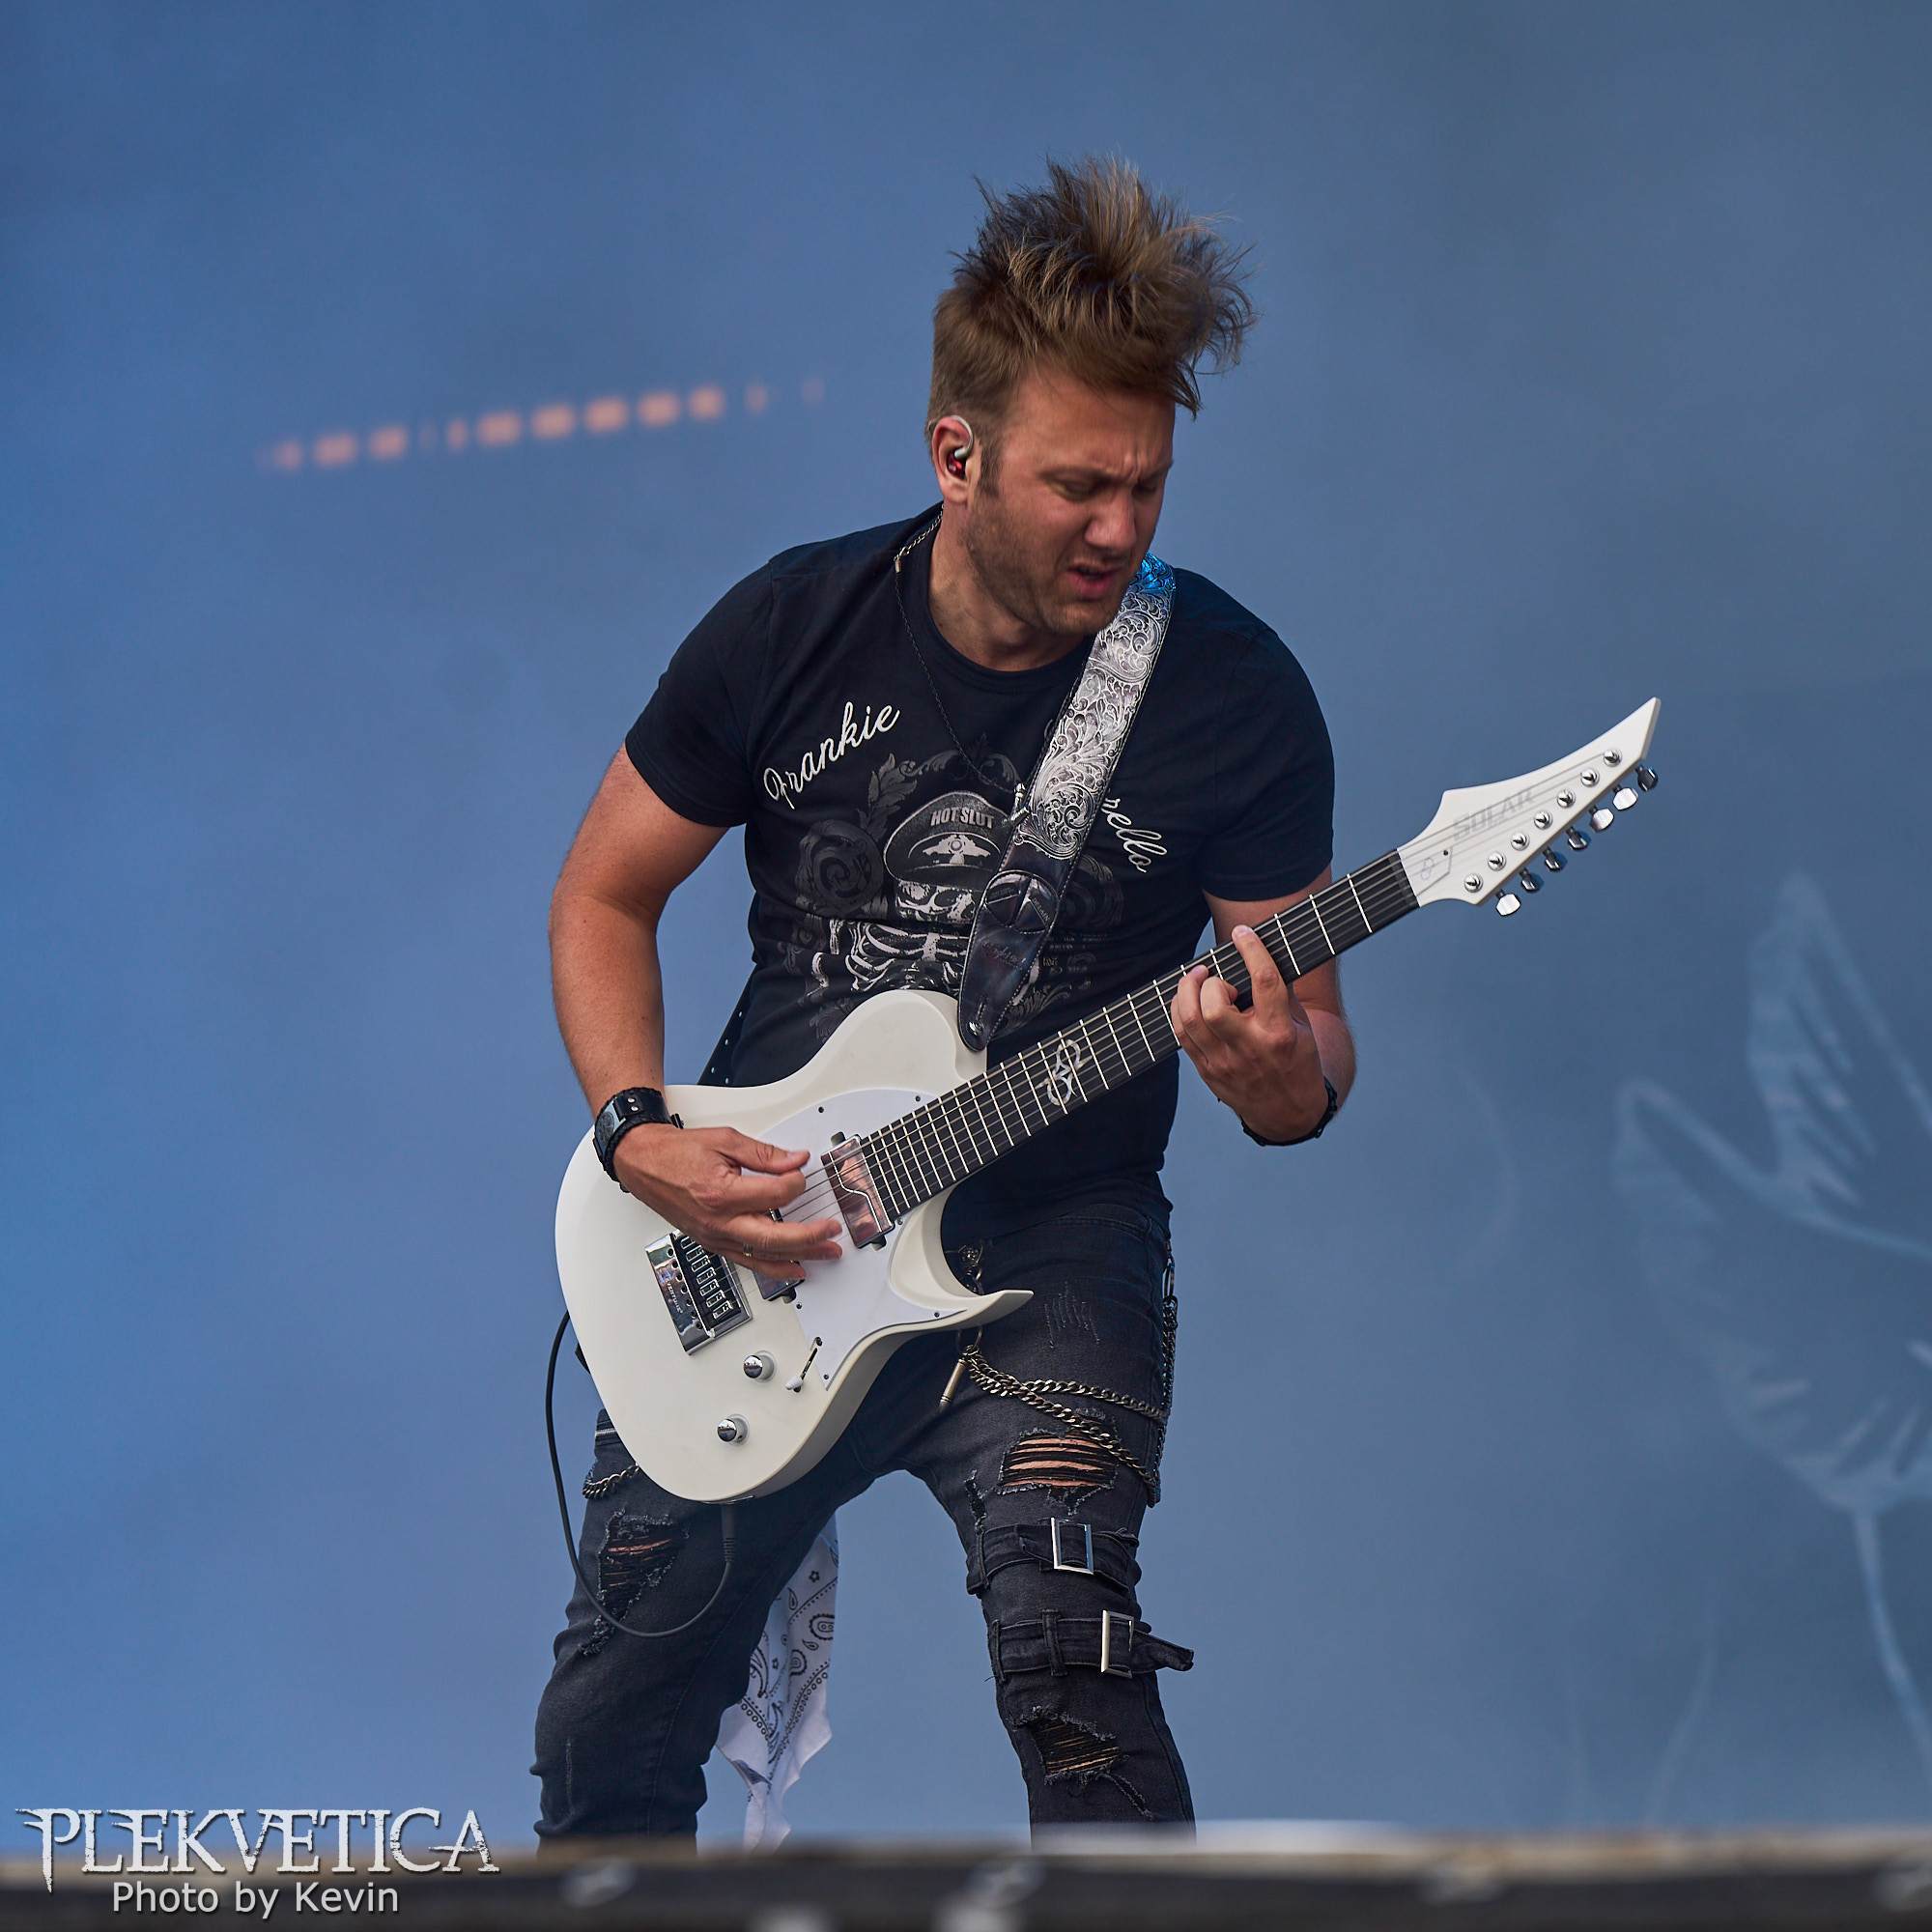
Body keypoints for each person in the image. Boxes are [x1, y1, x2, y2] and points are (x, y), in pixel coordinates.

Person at [532, 156, 1355, 1839]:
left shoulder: (1232, 693)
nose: (1121, 530)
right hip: (767, 1234)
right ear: (955, 455)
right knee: (607, 1733)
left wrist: (1273, 1071)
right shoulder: (790, 626)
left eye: (1148, 485)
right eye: (1078, 487)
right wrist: (637, 1137)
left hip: (1056, 1240)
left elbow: (1312, 1051)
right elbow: (603, 895)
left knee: (1079, 1683)